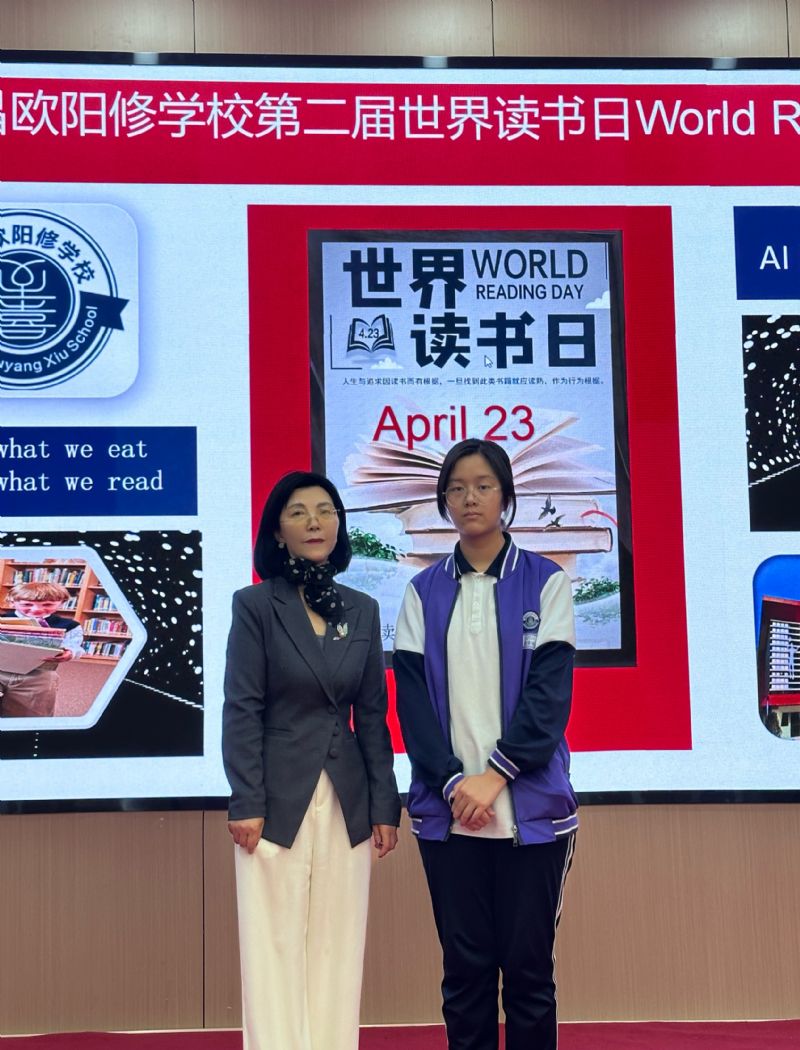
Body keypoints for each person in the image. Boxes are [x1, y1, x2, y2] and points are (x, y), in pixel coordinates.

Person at [393, 438, 578, 1050]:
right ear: (443, 501)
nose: (469, 498)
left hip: (532, 813)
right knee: (465, 976)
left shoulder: (547, 583)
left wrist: (494, 776)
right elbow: (413, 707)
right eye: (456, 488)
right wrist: (454, 783)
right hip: (449, 816)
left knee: (529, 975)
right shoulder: (421, 593)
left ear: (506, 496)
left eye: (483, 486)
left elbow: (547, 704)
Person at [222, 470, 401, 1050]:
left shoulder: (362, 609)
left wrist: (385, 805)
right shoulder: (255, 605)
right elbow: (242, 708)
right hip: (275, 798)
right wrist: (245, 799)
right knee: (272, 945)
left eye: (326, 510)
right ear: (278, 531)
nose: (315, 522)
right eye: (298, 512)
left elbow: (371, 715)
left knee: (336, 945)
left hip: (347, 796)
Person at [0, 581, 84, 718]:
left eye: (48, 605)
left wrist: (69, 653)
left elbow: (74, 646)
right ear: (12, 602)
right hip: (1, 669)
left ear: (61, 603)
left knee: (31, 713)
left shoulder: (70, 625)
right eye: (27, 604)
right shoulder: (2, 619)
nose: (36, 610)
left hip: (39, 674)